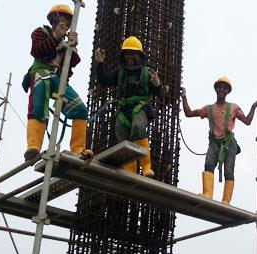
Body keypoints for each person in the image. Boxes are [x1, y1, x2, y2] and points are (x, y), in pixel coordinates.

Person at [23, 4, 93, 162]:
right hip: (42, 72)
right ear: (54, 19)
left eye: (68, 20)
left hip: (59, 79)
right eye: (62, 19)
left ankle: (78, 149)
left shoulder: (66, 40)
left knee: (80, 110)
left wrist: (73, 46)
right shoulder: (41, 33)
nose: (65, 23)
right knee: (38, 105)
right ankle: (33, 146)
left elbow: (73, 62)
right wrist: (55, 38)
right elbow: (37, 50)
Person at [181, 78, 257, 204]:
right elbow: (188, 113)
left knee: (228, 170)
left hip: (229, 144)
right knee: (209, 165)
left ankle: (226, 200)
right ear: (216, 89)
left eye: (225, 88)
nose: (222, 90)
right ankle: (207, 194)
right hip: (214, 143)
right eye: (220, 87)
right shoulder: (208, 109)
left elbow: (247, 121)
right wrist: (184, 97)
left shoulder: (233, 108)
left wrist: (253, 107)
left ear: (228, 92)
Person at [94, 36, 162, 177]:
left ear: (139, 55)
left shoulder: (147, 72)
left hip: (140, 107)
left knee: (138, 127)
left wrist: (157, 84)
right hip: (124, 110)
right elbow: (104, 79)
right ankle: (130, 170)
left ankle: (146, 166)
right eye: (127, 54)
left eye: (132, 53)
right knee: (121, 134)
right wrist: (100, 64)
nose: (129, 57)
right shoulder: (120, 72)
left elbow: (159, 93)